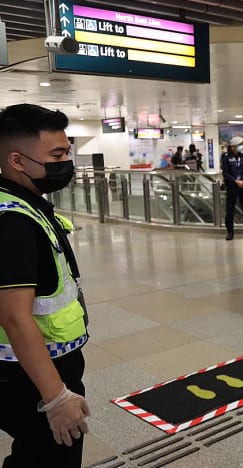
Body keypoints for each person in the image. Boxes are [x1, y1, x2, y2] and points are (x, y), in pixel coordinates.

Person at [0, 104, 91, 467]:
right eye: (56, 154)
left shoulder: (28, 204)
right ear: (18, 161)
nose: (66, 162)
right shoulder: (13, 223)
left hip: (43, 366)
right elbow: (15, 318)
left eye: (67, 151)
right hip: (31, 377)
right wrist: (55, 398)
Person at [220, 136, 243, 240]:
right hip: (232, 187)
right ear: (233, 146)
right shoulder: (226, 157)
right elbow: (225, 173)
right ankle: (230, 232)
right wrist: (235, 181)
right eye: (239, 145)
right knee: (230, 210)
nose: (241, 147)